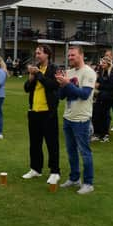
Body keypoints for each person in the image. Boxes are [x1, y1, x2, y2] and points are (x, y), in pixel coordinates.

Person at [56, 45, 97, 194]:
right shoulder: (69, 72)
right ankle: (74, 178)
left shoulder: (89, 73)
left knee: (84, 152)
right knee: (71, 151)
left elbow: (85, 94)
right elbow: (61, 96)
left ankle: (88, 183)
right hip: (68, 117)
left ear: (81, 55)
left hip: (81, 119)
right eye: (69, 55)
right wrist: (61, 84)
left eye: (73, 55)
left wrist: (67, 84)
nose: (70, 58)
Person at [22, 45, 61, 185]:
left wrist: (38, 74)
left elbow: (53, 85)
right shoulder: (35, 69)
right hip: (34, 112)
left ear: (47, 55)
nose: (37, 55)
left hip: (48, 113)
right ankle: (35, 169)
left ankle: (55, 172)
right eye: (36, 53)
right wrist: (32, 77)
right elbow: (26, 88)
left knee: (52, 143)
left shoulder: (53, 69)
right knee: (34, 143)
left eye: (39, 53)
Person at [92, 56, 113, 143]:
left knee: (104, 115)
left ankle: (105, 134)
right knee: (96, 113)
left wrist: (99, 86)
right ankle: (97, 133)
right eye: (101, 63)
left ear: (108, 64)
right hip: (100, 96)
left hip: (108, 97)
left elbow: (112, 87)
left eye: (103, 63)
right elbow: (99, 81)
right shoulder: (101, 71)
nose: (101, 64)